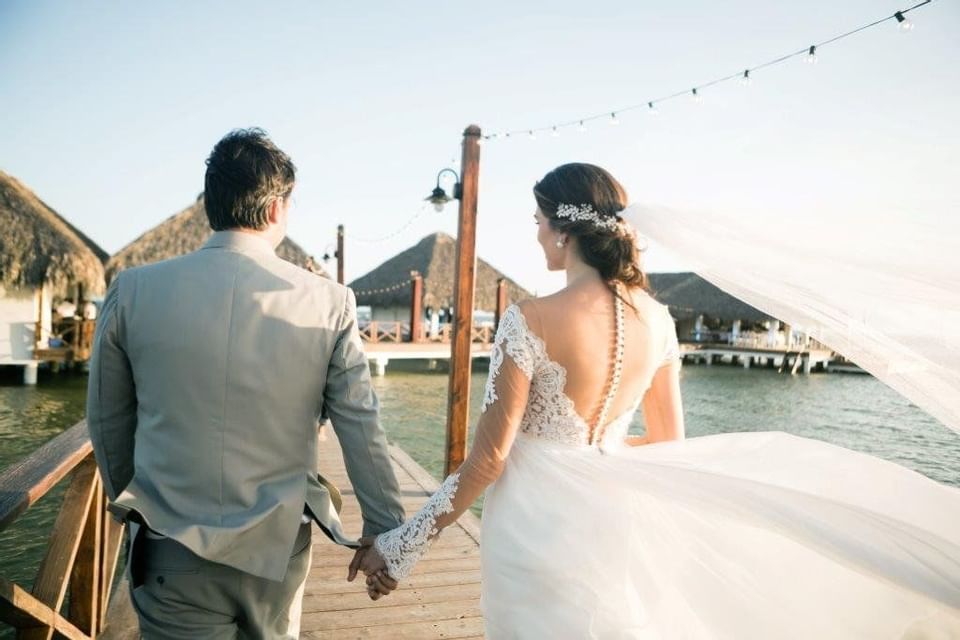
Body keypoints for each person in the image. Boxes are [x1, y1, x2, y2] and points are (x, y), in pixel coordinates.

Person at [360, 163, 960, 637]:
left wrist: (403, 545)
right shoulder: (659, 318)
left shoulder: (531, 319)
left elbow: (489, 460)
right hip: (610, 518)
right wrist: (598, 457)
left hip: (533, 524)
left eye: (539, 220)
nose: (536, 232)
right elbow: (670, 441)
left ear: (564, 230)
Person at [86, 128, 404, 639]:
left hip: (170, 544)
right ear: (278, 207)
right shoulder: (329, 302)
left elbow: (106, 419)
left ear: (211, 203)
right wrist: (386, 531)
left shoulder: (133, 291)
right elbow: (361, 427)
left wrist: (134, 504)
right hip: (276, 548)